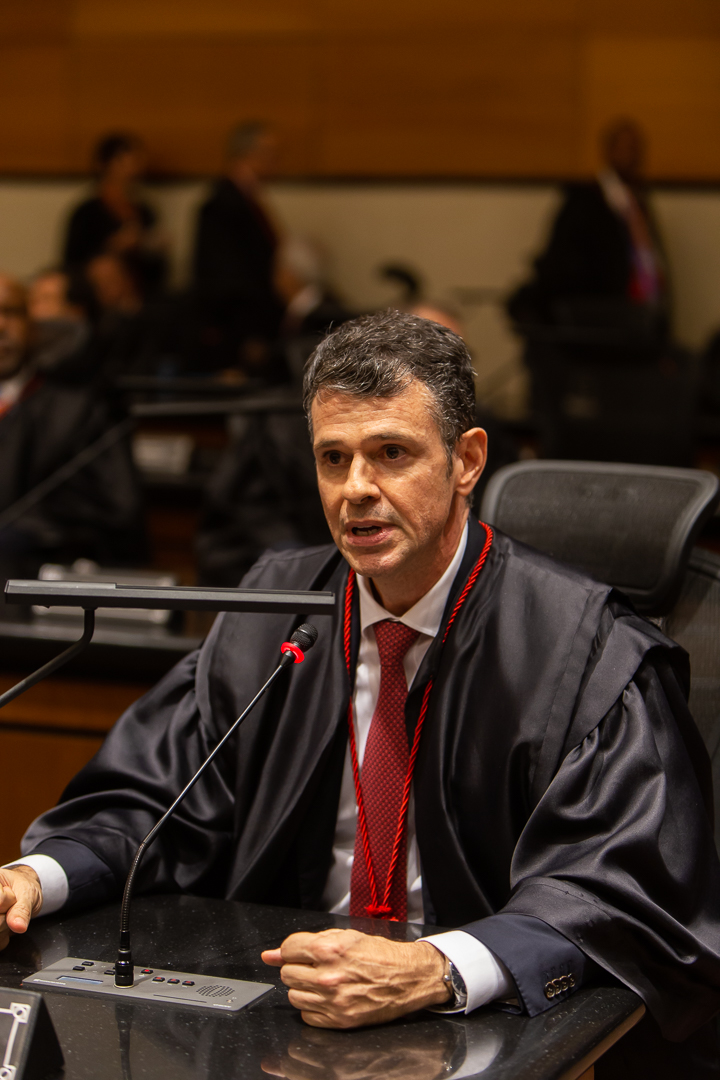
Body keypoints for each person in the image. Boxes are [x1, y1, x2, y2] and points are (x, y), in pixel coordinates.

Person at [1, 312, 719, 1072]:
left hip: (484, 1031)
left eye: (391, 454)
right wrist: (29, 880)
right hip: (287, 1011)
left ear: (467, 460)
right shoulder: (273, 611)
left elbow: (618, 891)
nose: (356, 490)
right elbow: (153, 801)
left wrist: (440, 968)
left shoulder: (586, 648)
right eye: (333, 458)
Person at [0, 273, 144, 576]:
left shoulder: (78, 409)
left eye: (10, 312)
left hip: (37, 572)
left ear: (33, 326)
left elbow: (111, 508)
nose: (0, 326)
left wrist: (27, 532)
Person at [509, 118, 668, 339]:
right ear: (609, 151)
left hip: (638, 317)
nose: (631, 156)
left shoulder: (638, 201)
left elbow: (647, 262)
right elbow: (563, 263)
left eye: (635, 149)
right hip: (599, 321)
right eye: (625, 148)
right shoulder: (586, 200)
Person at [191, 121, 285, 373]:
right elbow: (226, 279)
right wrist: (249, 334)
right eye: (270, 153)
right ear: (249, 154)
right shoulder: (222, 206)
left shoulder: (245, 201)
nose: (276, 160)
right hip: (235, 333)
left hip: (250, 325)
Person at [63, 132, 167, 296]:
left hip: (139, 295)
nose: (132, 170)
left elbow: (157, 272)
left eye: (136, 162)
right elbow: (71, 264)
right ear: (105, 165)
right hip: (96, 295)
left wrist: (152, 249)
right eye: (123, 162)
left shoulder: (145, 211)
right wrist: (113, 247)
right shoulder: (86, 213)